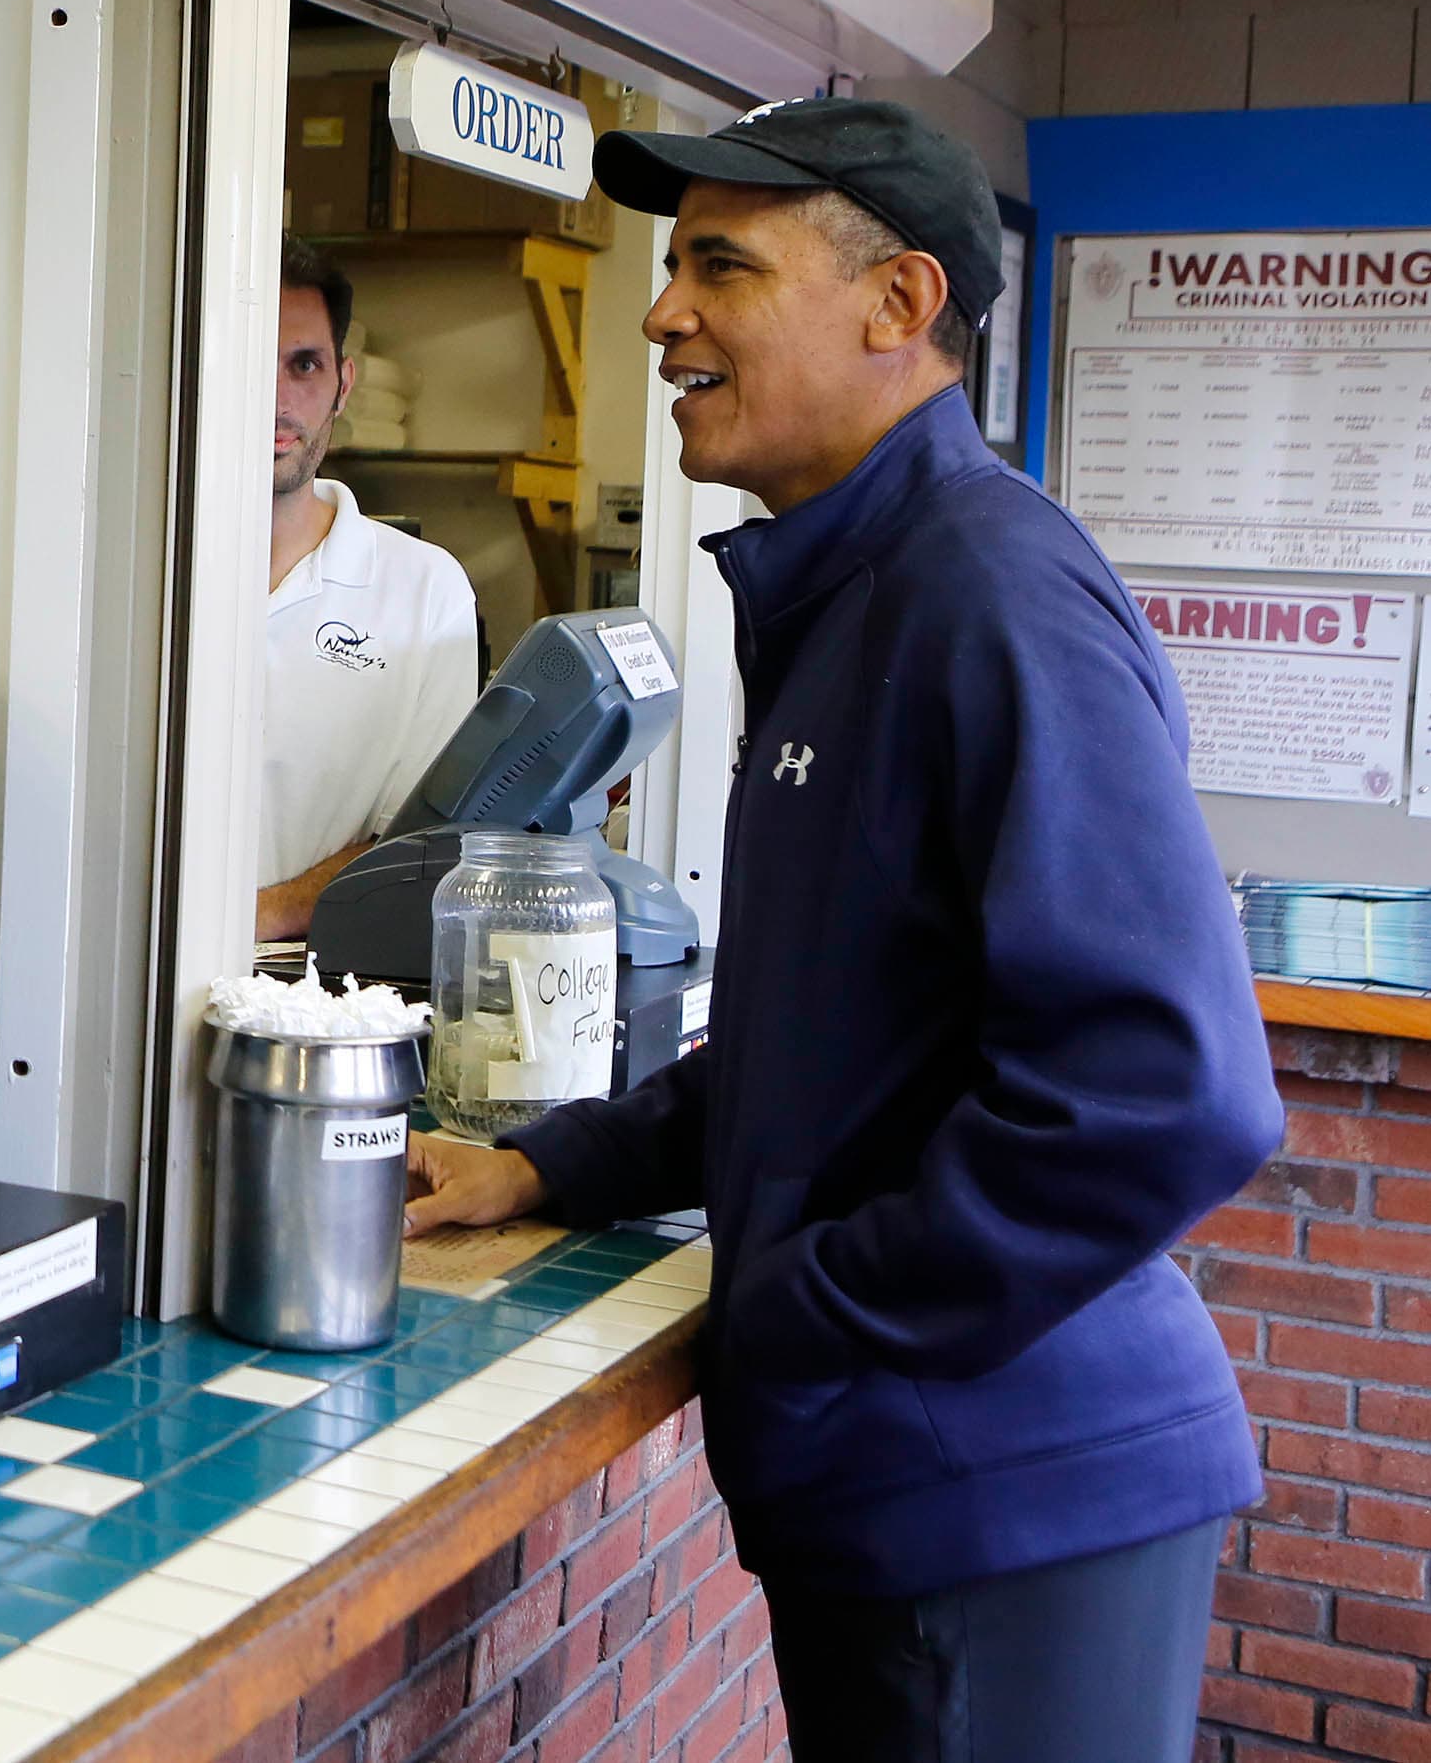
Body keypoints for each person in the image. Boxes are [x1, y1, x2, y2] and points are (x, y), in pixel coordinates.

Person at [400, 98, 1281, 1763]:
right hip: (929, 1484)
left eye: (721, 267)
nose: (663, 314)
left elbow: (1165, 1091)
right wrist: (548, 1166)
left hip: (1002, 1501)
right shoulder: (855, 592)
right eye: (672, 267)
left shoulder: (988, 593)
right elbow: (828, 1035)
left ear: (899, 303)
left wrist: (807, 1309)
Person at [252, 236, 481, 940]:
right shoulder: (136, 572)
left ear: (343, 384)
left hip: (320, 980)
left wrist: (259, 913)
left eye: (304, 365)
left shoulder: (426, 591)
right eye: (255, 358)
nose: (279, 399)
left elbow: (425, 843)